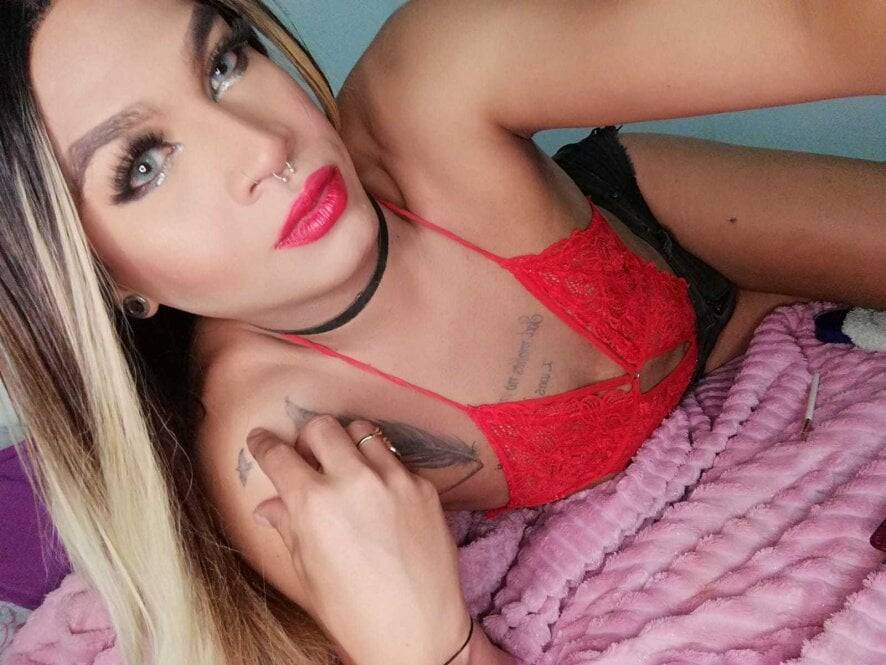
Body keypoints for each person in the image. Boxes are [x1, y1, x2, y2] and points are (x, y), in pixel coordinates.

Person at [2, 0, 884, 662]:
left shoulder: (430, 79)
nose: (261, 147)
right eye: (144, 166)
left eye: (225, 62)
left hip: (673, 233)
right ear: (104, 283)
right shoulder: (275, 449)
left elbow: (813, 25)